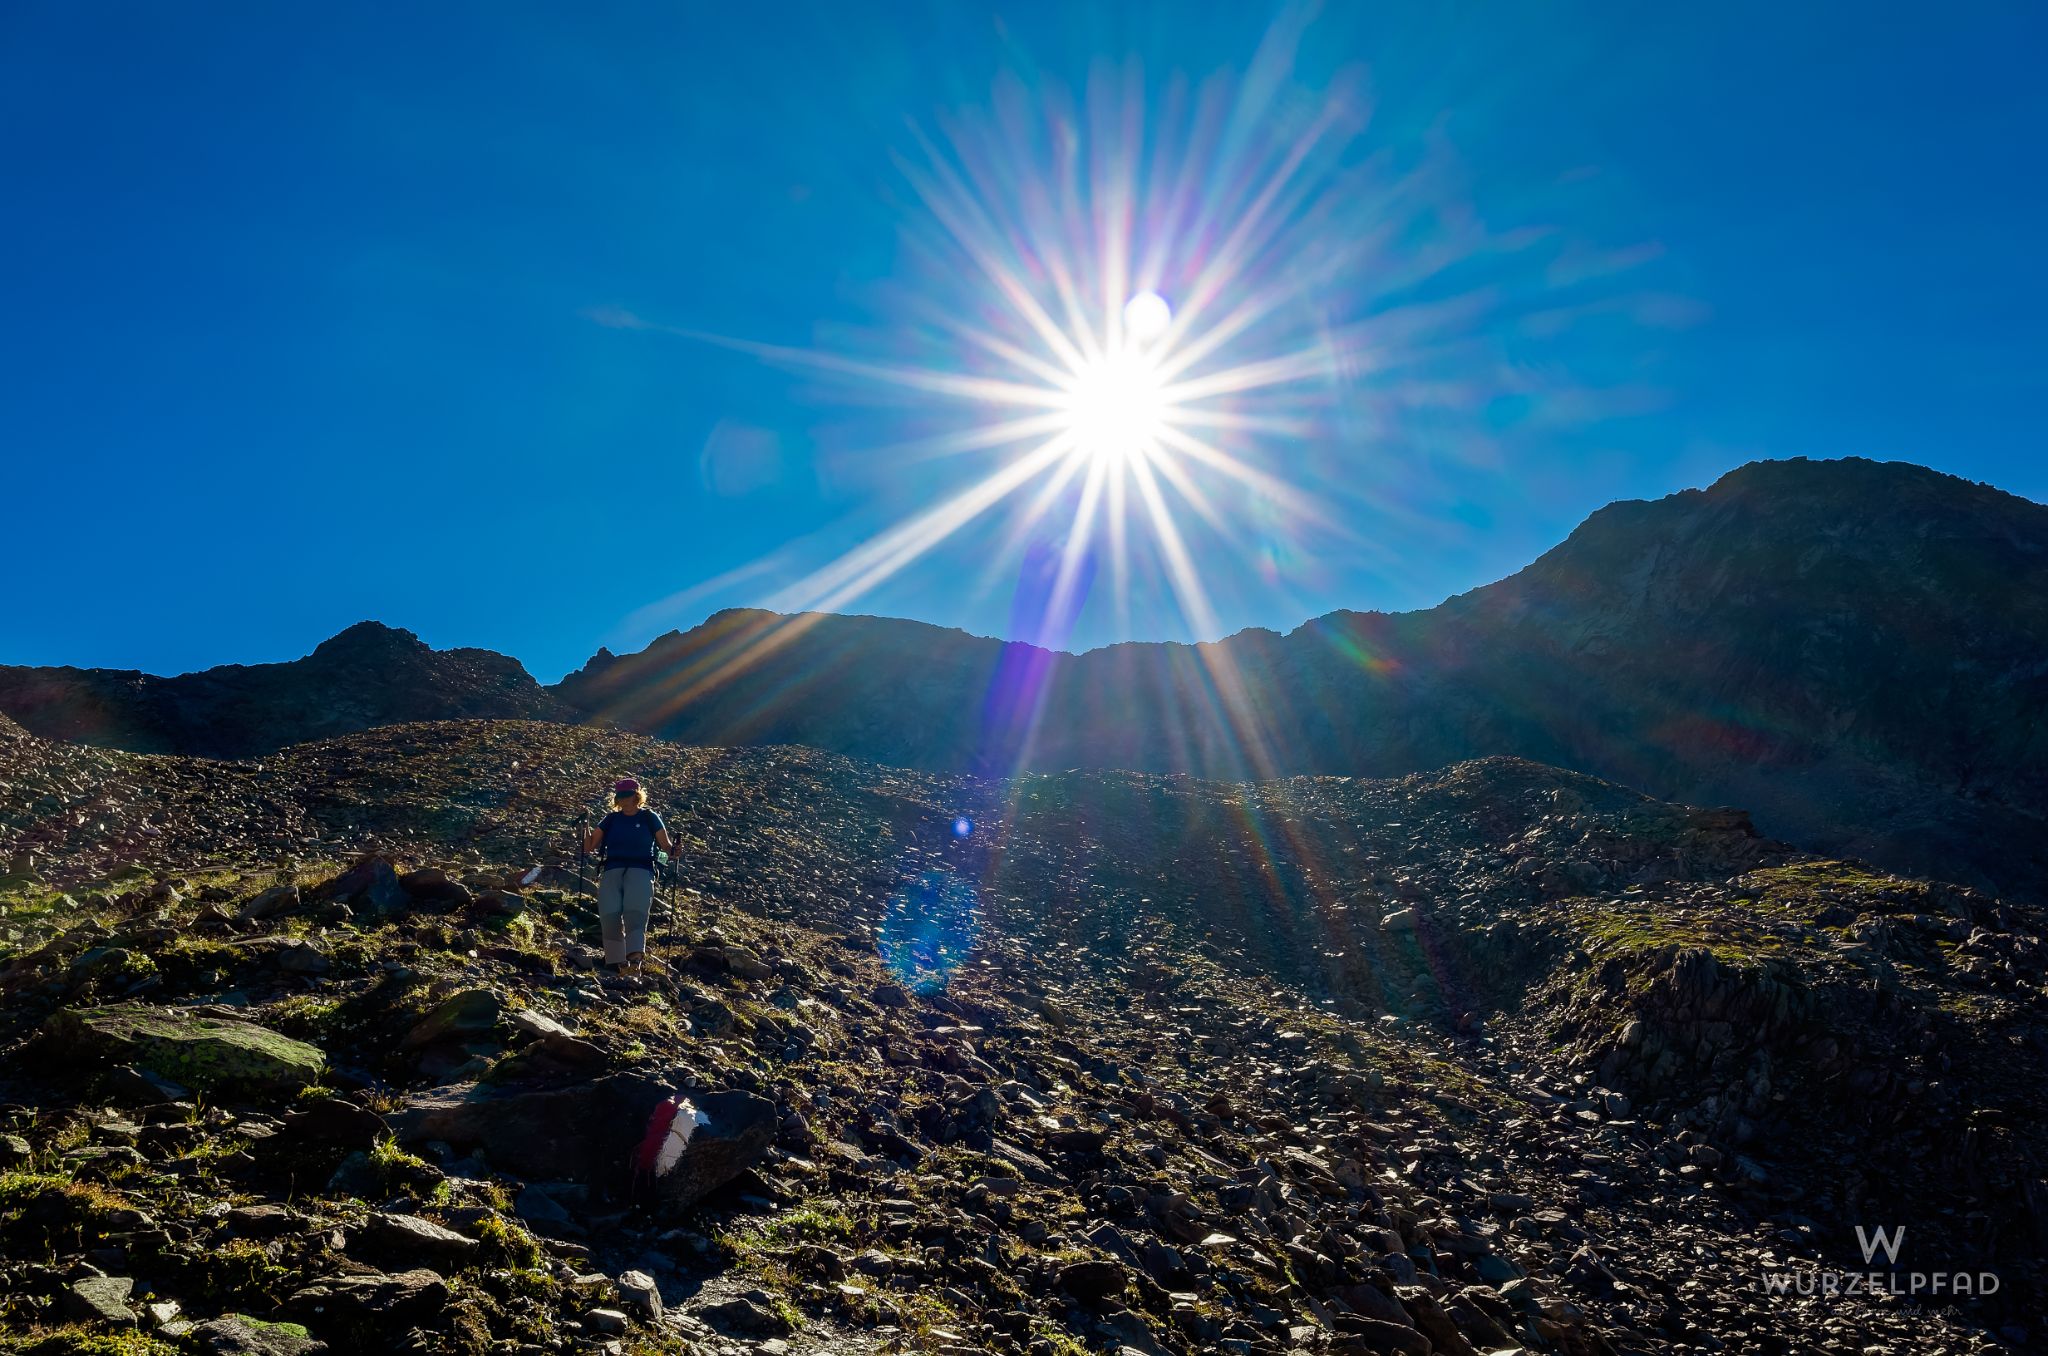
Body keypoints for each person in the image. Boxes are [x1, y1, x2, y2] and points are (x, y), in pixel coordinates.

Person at [583, 777, 673, 975]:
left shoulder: (649, 817)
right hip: (613, 868)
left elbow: (665, 846)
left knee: (635, 912)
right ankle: (617, 963)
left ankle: (634, 961)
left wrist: (671, 853)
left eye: (627, 795)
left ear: (637, 795)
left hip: (641, 868)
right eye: (620, 795)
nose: (623, 799)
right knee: (610, 914)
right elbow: (589, 847)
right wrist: (584, 825)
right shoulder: (611, 818)